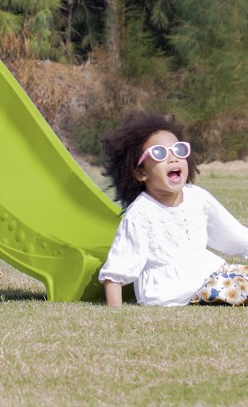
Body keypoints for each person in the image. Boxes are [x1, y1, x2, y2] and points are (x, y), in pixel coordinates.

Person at [97, 113, 248, 306]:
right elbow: (116, 271)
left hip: (210, 274)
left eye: (179, 150)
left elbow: (235, 236)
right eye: (159, 153)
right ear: (141, 173)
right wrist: (115, 315)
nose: (173, 158)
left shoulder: (197, 197)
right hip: (174, 291)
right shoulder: (140, 213)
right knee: (240, 285)